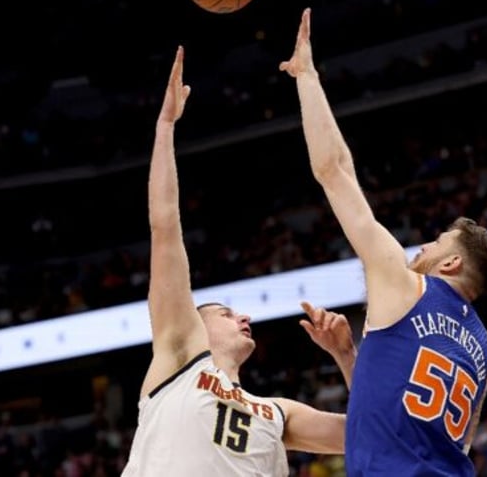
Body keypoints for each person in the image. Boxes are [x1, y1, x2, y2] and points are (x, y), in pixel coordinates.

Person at [279, 8, 487, 476]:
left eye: (437, 241)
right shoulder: (482, 347)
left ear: (452, 263)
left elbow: (334, 170)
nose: (422, 247)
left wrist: (306, 76)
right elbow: (407, 428)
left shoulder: (407, 286)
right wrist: (346, 355)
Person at [122, 45, 358, 476]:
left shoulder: (275, 412)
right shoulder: (180, 356)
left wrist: (345, 355)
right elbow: (165, 227)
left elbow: (369, 433)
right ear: (197, 325)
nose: (242, 316)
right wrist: (166, 126)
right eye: (226, 313)